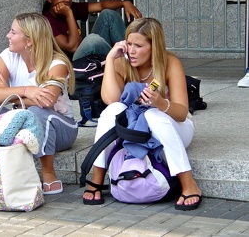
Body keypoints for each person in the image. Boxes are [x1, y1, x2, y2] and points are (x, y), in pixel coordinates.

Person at [82, 17, 202, 211]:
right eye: (128, 43)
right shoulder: (122, 63)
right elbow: (111, 100)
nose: (132, 50)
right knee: (112, 111)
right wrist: (111, 60)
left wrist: (160, 103)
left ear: (154, 47)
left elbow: (181, 113)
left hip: (173, 127)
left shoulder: (170, 63)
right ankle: (96, 178)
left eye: (139, 45)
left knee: (153, 115)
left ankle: (188, 183)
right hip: (137, 129)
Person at [0, 12, 79, 195]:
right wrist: (26, 91)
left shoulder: (57, 63)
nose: (7, 36)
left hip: (61, 128)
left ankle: (48, 173)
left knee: (38, 112)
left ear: (29, 41)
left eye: (13, 32)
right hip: (25, 120)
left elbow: (47, 101)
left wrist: (5, 94)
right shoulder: (8, 56)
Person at [42, 0, 142, 61]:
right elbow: (73, 47)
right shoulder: (46, 21)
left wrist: (124, 3)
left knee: (108, 14)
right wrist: (69, 14)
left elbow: (101, 5)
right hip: (72, 66)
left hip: (87, 56)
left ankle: (133, 56)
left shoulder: (72, 7)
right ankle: (124, 61)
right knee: (92, 40)